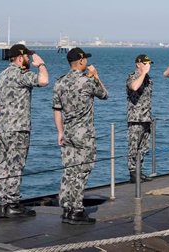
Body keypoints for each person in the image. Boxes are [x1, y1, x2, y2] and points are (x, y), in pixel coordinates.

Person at [0, 43, 49, 219]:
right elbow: (44, 81)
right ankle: (13, 204)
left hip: (2, 129)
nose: (29, 59)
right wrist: (41, 65)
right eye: (27, 56)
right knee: (15, 166)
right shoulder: (20, 74)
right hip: (18, 129)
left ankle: (3, 203)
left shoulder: (1, 76)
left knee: (2, 167)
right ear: (20, 57)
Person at [52, 47, 108, 225]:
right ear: (81, 61)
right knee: (82, 170)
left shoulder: (60, 83)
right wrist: (95, 75)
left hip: (67, 132)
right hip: (84, 134)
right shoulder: (87, 81)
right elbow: (104, 94)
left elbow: (57, 109)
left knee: (69, 170)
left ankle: (67, 206)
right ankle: (76, 209)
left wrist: (60, 131)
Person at [126, 54, 154, 183]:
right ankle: (133, 172)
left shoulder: (148, 79)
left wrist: (145, 75)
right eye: (145, 64)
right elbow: (134, 87)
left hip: (146, 117)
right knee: (134, 146)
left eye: (149, 64)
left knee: (143, 147)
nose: (148, 66)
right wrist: (143, 74)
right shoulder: (133, 76)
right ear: (138, 64)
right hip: (136, 118)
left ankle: (139, 170)